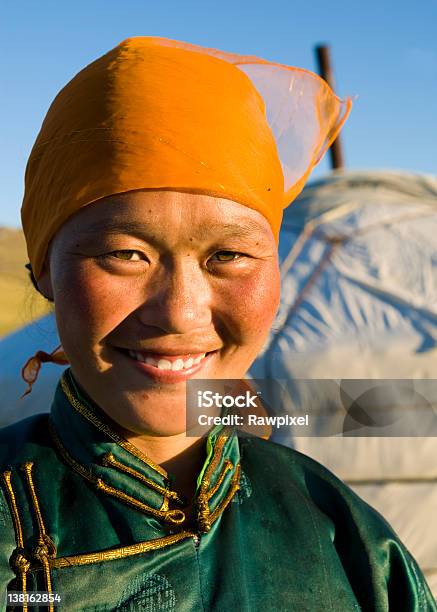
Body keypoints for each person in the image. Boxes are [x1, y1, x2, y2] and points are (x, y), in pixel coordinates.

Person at [0, 37, 435, 611]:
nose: (180, 312)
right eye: (125, 254)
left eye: (229, 256)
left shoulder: (348, 537)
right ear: (43, 273)